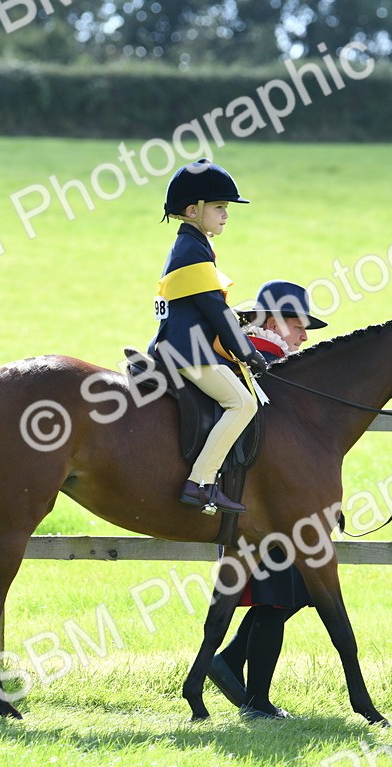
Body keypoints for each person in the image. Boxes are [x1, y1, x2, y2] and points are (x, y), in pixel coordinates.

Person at [206, 280, 328, 720]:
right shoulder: (264, 363)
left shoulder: (265, 360)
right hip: (263, 506)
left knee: (288, 595)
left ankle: (228, 663)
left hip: (274, 504)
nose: (305, 335)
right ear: (274, 321)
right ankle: (256, 702)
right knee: (275, 600)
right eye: (299, 325)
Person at [149, 159, 268, 515]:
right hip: (188, 353)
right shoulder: (191, 250)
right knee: (242, 404)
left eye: (226, 208)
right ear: (192, 210)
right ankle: (200, 482)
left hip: (188, 348)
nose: (226, 215)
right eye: (219, 207)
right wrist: (248, 352)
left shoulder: (194, 245)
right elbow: (215, 309)